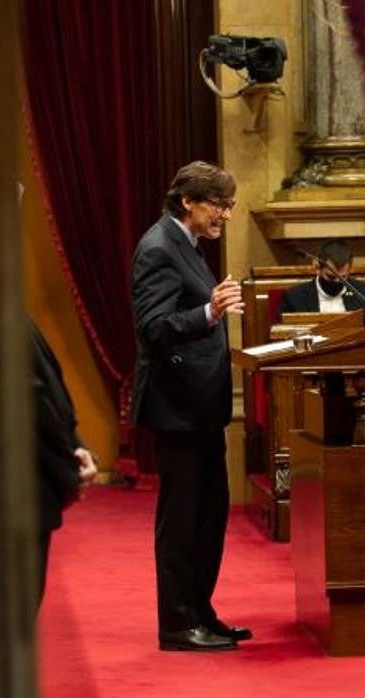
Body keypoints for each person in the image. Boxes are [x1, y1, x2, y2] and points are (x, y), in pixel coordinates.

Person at [130, 161, 250, 652]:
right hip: (177, 407)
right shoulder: (158, 248)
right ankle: (178, 624)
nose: (224, 214)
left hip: (200, 407)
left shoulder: (188, 245)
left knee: (209, 513)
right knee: (181, 521)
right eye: (217, 204)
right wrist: (210, 311)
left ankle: (201, 611)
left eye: (227, 205)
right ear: (188, 202)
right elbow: (153, 328)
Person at [32, 320, 99, 609]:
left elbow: (47, 390)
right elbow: (31, 401)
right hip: (18, 484)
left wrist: (75, 445)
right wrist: (68, 468)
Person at [277, 238, 365, 318]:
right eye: (330, 277)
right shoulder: (295, 297)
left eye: (342, 277)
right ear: (317, 268)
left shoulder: (361, 293)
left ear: (349, 270)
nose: (337, 281)